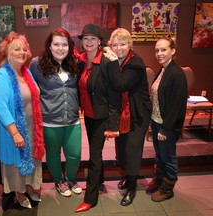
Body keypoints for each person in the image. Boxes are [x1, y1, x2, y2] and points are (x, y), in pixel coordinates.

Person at [0, 32, 45, 209]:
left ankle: (29, 188)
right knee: (16, 163)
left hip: (31, 128)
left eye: (24, 48)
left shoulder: (26, 72)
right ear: (7, 52)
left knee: (31, 159)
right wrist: (15, 133)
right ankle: (19, 193)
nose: (22, 52)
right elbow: (1, 108)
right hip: (13, 130)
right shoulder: (1, 76)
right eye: (16, 49)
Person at [29, 27, 82, 197]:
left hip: (72, 119)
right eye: (56, 44)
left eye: (64, 44)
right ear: (49, 46)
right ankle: (59, 181)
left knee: (74, 154)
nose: (60, 48)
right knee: (53, 154)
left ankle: (71, 179)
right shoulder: (37, 64)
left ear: (69, 46)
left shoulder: (74, 63)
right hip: (50, 120)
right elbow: (29, 87)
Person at [75, 24, 120, 212]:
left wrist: (112, 125)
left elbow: (114, 96)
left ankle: (91, 198)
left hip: (102, 117)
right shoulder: (80, 61)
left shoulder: (108, 62)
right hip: (89, 116)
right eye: (86, 38)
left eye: (93, 38)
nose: (89, 42)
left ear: (100, 41)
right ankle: (98, 181)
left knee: (94, 156)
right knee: (96, 153)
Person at [104, 28, 152, 206]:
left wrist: (113, 61)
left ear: (130, 45)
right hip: (123, 114)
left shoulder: (135, 64)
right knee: (122, 149)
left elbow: (120, 84)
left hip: (137, 114)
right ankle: (128, 176)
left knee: (132, 151)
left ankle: (132, 188)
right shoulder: (121, 62)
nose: (119, 48)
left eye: (122, 44)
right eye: (115, 45)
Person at [146, 37, 187, 202]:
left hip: (166, 126)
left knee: (169, 157)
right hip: (156, 122)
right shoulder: (163, 70)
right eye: (157, 50)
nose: (159, 53)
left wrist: (165, 128)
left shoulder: (177, 74)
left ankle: (167, 189)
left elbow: (176, 106)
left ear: (173, 51)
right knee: (159, 155)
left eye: (163, 50)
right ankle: (159, 180)